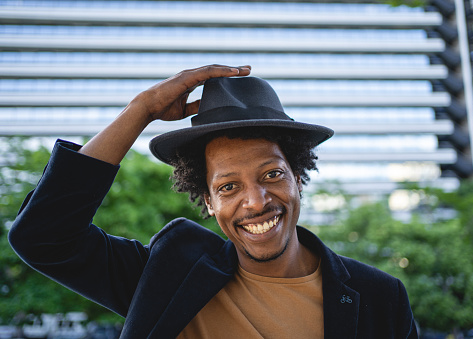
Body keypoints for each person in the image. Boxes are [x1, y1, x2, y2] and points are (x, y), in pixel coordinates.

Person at [9, 65, 418, 338]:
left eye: (272, 175)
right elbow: (43, 238)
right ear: (206, 200)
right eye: (228, 187)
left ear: (297, 176)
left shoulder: (379, 298)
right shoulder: (170, 273)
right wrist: (143, 109)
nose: (256, 203)